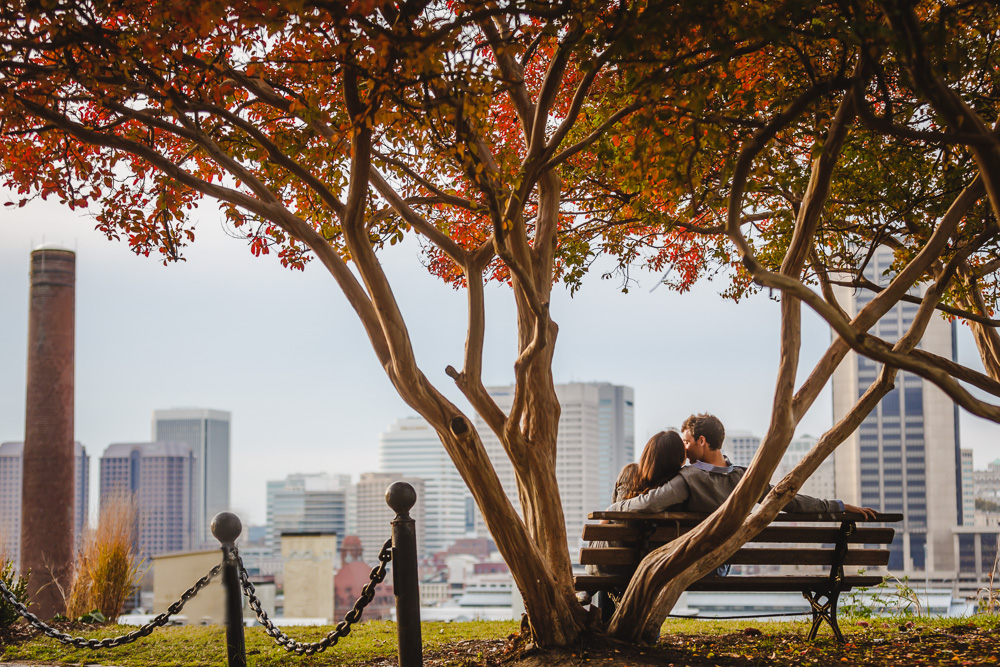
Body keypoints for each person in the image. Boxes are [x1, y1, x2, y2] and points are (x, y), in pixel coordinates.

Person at [608, 413, 877, 518]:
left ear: (702, 440)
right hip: (723, 562)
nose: (683, 448)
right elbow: (790, 500)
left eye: (687, 442)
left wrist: (611, 509)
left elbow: (649, 504)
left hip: (688, 560)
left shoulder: (687, 479)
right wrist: (838, 506)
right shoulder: (745, 477)